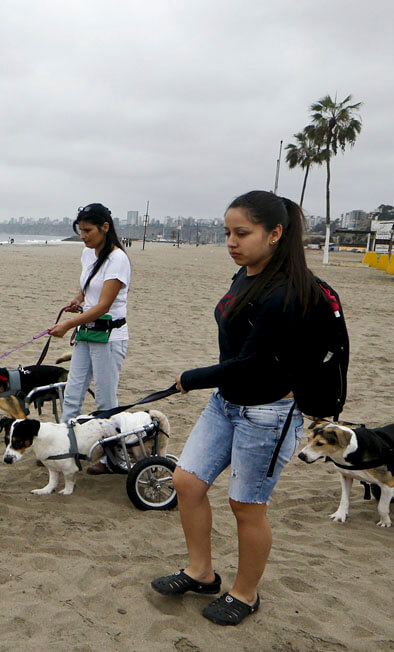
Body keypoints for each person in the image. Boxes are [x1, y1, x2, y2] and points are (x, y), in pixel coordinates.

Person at [151, 190, 320, 626]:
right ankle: (201, 572)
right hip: (227, 401)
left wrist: (192, 377)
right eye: (228, 232)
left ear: (275, 233)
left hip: (268, 414)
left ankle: (245, 593)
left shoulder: (286, 293)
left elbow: (256, 362)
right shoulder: (247, 274)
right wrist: (210, 382)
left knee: (246, 506)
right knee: (186, 483)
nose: (231, 241)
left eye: (242, 233)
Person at [47, 203, 130, 470]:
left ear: (105, 227)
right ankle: (63, 449)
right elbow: (88, 289)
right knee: (72, 394)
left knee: (106, 401)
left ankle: (112, 458)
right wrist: (77, 299)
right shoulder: (88, 254)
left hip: (110, 335)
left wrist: (68, 324)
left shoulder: (118, 259)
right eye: (80, 230)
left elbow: (104, 305)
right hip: (87, 332)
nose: (83, 235)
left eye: (88, 230)